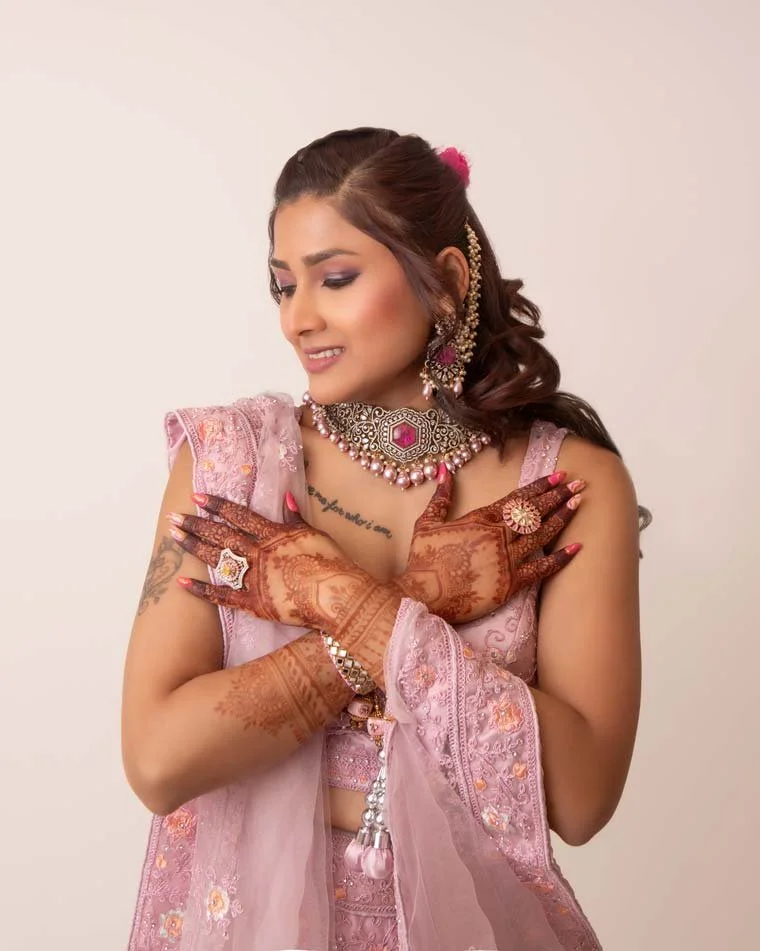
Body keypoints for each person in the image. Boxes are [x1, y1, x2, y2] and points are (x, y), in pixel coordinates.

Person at [122, 128, 644, 951]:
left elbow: (581, 797)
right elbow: (157, 762)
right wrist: (412, 604)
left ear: (447, 281)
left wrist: (348, 604)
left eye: (335, 278)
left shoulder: (561, 487)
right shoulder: (229, 463)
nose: (298, 318)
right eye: (282, 285)